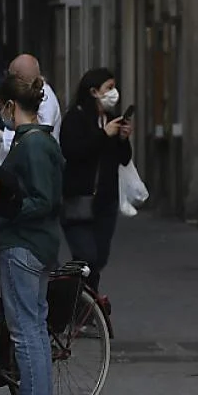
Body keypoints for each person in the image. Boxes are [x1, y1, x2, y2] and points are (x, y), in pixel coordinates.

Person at [0, 74, 63, 395]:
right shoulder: (41, 141)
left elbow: (42, 200)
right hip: (37, 243)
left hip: (24, 243)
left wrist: (9, 212)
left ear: (10, 107)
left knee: (25, 329)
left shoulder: (32, 145)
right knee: (33, 326)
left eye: (0, 108)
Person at [60, 67, 130, 291]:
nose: (114, 92)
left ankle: (89, 305)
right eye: (108, 88)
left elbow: (124, 158)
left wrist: (122, 139)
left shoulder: (110, 120)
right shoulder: (75, 118)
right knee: (85, 257)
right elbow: (73, 151)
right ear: (93, 92)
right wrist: (103, 135)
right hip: (79, 199)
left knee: (99, 258)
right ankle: (74, 299)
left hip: (105, 200)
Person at [0, 54, 63, 160]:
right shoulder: (28, 95)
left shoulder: (45, 97)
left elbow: (41, 131)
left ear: (17, 76)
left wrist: (2, 137)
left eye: (9, 75)